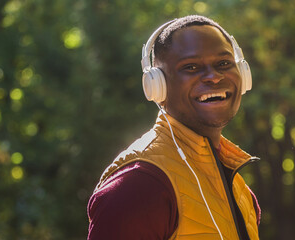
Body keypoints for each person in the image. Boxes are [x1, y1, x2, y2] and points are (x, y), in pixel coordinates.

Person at [87, 15, 260, 240]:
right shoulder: (139, 184)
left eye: (224, 64)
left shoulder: (241, 190)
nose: (214, 77)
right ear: (157, 85)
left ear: (243, 75)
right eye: (191, 67)